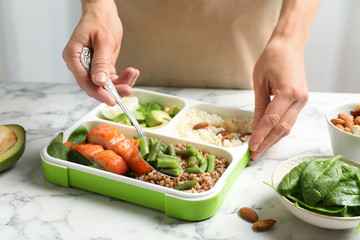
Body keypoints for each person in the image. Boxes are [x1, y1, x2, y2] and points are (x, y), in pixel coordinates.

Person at [63, 0, 321, 160]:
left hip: (242, 24)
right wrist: (97, 5)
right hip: (137, 22)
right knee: (127, 89)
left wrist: (289, 39)